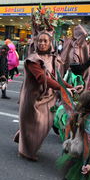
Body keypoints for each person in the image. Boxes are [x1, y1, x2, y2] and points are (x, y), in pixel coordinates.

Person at [14, 31, 78, 161]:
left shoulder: (53, 58)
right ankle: (26, 151)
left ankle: (23, 139)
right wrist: (63, 89)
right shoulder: (33, 59)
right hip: (32, 97)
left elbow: (56, 78)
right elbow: (41, 78)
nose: (42, 43)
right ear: (36, 43)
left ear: (50, 43)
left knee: (44, 125)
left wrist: (71, 87)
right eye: (40, 41)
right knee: (34, 123)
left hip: (49, 97)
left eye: (45, 41)